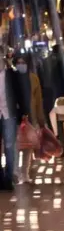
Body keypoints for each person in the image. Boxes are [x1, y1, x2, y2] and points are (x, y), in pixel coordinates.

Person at [14, 53, 45, 184]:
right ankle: (15, 172)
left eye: (23, 62)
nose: (21, 65)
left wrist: (40, 120)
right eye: (18, 63)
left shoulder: (33, 78)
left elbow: (38, 101)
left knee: (28, 147)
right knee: (16, 146)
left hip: (30, 117)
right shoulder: (12, 78)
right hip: (15, 117)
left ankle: (25, 173)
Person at [0, 47, 27, 191]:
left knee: (10, 146)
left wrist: (23, 112)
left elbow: (20, 93)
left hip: (9, 113)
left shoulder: (12, 74)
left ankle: (8, 178)